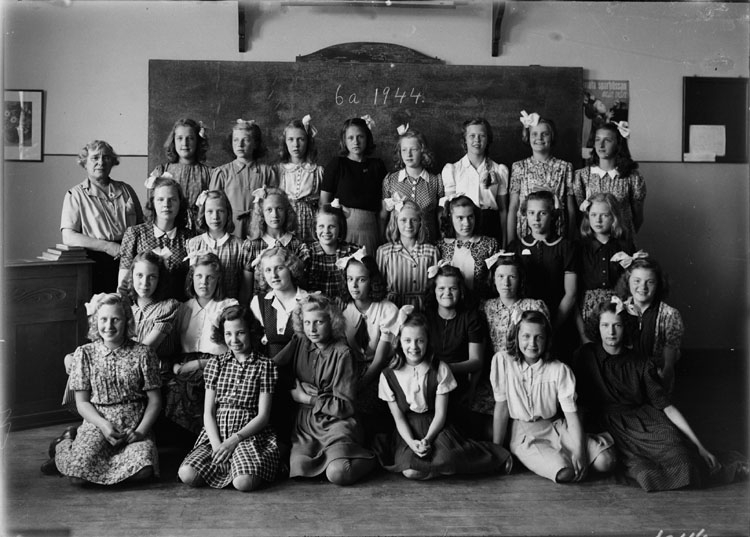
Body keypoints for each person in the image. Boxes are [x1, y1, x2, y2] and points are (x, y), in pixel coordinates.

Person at [572, 300, 747, 492]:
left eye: (617, 325)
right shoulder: (586, 356)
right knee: (646, 474)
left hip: (644, 422)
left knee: (684, 460)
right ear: (597, 328)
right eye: (605, 325)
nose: (611, 332)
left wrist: (700, 446)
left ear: (626, 327)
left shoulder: (641, 363)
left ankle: (729, 467)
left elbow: (667, 407)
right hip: (609, 427)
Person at [374, 310, 512, 480]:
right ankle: (440, 468)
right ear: (399, 342)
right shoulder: (388, 375)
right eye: (407, 340)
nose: (414, 347)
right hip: (407, 430)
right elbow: (399, 418)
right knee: (410, 470)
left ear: (427, 341)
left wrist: (427, 439)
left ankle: (494, 455)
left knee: (447, 458)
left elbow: (440, 414)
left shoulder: (440, 369)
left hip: (436, 426)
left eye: (420, 340)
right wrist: (412, 442)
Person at [490, 310, 615, 483]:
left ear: (547, 339)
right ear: (516, 336)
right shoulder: (503, 362)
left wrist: (579, 452)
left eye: (538, 337)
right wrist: (497, 452)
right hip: (525, 433)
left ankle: (573, 454)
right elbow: (502, 410)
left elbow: (571, 416)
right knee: (566, 472)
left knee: (606, 462)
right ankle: (552, 459)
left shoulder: (559, 369)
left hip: (555, 426)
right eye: (526, 336)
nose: (532, 343)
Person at [49, 293, 161, 485]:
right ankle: (65, 445)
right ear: (96, 321)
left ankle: (89, 456)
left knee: (143, 471)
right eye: (103, 319)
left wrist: (140, 432)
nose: (109, 326)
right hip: (97, 422)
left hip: (133, 426)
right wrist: (103, 425)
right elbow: (82, 402)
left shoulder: (144, 353)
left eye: (115, 319)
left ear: (126, 321)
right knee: (78, 476)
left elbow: (155, 400)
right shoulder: (85, 353)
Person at [274, 294, 376, 486]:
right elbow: (271, 368)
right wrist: (293, 385)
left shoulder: (343, 353)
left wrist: (307, 399)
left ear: (332, 322)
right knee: (300, 469)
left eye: (319, 322)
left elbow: (346, 406)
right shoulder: (300, 340)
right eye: (307, 322)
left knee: (338, 474)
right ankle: (331, 460)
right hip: (306, 425)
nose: (312, 329)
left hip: (336, 422)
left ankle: (373, 457)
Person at [178, 305, 280, 492]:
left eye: (240, 333)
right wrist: (218, 446)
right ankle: (230, 467)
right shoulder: (216, 364)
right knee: (187, 474)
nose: (234, 340)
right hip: (216, 434)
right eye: (228, 334)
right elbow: (208, 413)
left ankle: (247, 468)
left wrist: (233, 441)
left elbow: (263, 416)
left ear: (251, 331)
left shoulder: (265, 366)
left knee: (243, 483)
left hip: (248, 436)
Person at [469, 253, 549, 432]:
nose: (506, 283)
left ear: (520, 279)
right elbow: (480, 346)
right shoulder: (486, 307)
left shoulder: (534, 306)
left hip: (526, 374)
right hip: (496, 374)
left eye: (512, 277)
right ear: (493, 279)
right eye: (500, 276)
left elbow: (543, 345)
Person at [167, 253, 238, 436]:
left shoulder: (227, 306)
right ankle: (187, 443)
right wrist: (176, 365)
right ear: (192, 278)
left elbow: (236, 349)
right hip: (186, 364)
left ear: (218, 280)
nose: (203, 282)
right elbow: (174, 346)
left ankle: (211, 439)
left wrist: (199, 364)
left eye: (210, 277)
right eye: (199, 276)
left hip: (219, 364)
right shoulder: (184, 308)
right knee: (175, 389)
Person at [60, 140, 143, 293]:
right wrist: (107, 246)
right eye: (95, 158)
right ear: (85, 163)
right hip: (96, 262)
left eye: (106, 157)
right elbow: (68, 236)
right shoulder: (75, 194)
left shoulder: (126, 189)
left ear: (112, 162)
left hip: (129, 258)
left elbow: (141, 225)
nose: (101, 162)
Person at [509, 190, 578, 358]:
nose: (536, 218)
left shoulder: (566, 247)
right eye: (531, 213)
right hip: (525, 322)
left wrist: (551, 325)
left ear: (552, 215)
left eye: (543, 213)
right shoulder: (516, 247)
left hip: (558, 319)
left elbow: (571, 293)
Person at [340, 253, 398, 427]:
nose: (354, 285)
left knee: (370, 406)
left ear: (372, 281)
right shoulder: (343, 310)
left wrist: (358, 386)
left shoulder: (387, 310)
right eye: (350, 279)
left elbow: (380, 359)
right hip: (352, 368)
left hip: (380, 370)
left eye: (361, 280)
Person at [423, 264, 484, 422]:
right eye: (441, 288)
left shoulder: (471, 317)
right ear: (434, 291)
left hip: (458, 381)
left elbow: (476, 361)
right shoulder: (425, 316)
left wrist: (446, 369)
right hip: (428, 380)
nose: (447, 293)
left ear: (461, 290)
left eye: (453, 288)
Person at [320, 116, 387, 256]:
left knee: (367, 266)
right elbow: (324, 202)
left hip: (370, 230)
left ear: (367, 138)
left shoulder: (377, 166)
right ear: (344, 140)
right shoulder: (337, 164)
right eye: (350, 138)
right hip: (342, 231)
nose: (355, 142)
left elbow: (383, 207)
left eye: (360, 137)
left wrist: (381, 236)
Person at [615, 255, 683, 392]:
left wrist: (662, 382)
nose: (643, 287)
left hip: (654, 381)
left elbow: (668, 363)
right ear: (627, 281)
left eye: (650, 282)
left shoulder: (670, 314)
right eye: (637, 281)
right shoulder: (617, 310)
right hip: (622, 379)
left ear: (658, 284)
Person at [118, 176, 193, 301]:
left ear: (180, 203)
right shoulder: (135, 234)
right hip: (141, 306)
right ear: (152, 203)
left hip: (179, 306)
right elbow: (123, 284)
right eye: (160, 199)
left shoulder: (190, 238)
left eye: (172, 199)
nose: (166, 205)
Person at [507, 112, 576, 244]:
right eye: (534, 134)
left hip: (557, 234)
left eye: (545, 134)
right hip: (525, 235)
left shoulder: (565, 167)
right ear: (528, 137)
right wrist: (511, 242)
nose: (539, 138)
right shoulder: (519, 167)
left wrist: (571, 241)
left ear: (552, 137)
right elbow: (513, 207)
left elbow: (570, 209)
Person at [572, 122, 646, 241]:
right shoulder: (582, 176)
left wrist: (624, 238)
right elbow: (580, 215)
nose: (601, 145)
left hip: (622, 241)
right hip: (592, 243)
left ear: (618, 144)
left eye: (607, 140)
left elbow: (638, 218)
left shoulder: (633, 177)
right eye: (597, 140)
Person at [576, 193, 634, 342]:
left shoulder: (625, 246)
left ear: (614, 218)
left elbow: (631, 282)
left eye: (605, 215)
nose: (598, 220)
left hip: (618, 307)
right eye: (594, 215)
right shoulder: (580, 248)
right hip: (589, 308)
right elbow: (575, 291)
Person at [441, 117, 508, 246]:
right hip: (463, 226)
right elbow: (449, 209)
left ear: (488, 139)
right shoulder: (453, 169)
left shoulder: (499, 170)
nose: (477, 140)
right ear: (465, 140)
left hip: (490, 226)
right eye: (472, 136)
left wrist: (505, 241)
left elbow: (503, 210)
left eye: (482, 136)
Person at [240, 187, 309, 304]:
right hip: (261, 307)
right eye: (269, 210)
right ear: (261, 213)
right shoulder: (251, 246)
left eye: (279, 209)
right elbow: (246, 288)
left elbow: (302, 282)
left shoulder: (297, 245)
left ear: (286, 211)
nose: (275, 214)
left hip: (292, 305)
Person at [210, 119, 278, 239]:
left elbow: (275, 202)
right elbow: (213, 205)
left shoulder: (267, 172)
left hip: (259, 227)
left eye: (245, 140)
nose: (240, 145)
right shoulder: (222, 173)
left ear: (255, 143)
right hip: (231, 227)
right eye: (235, 140)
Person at [380, 126, 443, 243]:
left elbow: (440, 217)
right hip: (398, 245)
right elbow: (383, 216)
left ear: (423, 151)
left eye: (413, 149)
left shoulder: (435, 181)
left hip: (428, 244)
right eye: (404, 150)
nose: (408, 154)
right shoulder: (391, 180)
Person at [149, 118, 211, 233]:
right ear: (173, 141)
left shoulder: (209, 173)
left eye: (190, 138)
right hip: (170, 228)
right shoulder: (163, 171)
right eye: (180, 138)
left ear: (198, 141)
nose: (185, 143)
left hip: (200, 230)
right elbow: (152, 207)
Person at [377, 199, 440, 310]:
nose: (409, 225)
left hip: (423, 308)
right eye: (403, 220)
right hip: (393, 308)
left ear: (420, 222)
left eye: (414, 220)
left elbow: (435, 286)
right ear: (395, 222)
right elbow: (379, 287)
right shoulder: (384, 252)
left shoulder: (431, 251)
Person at [437, 194, 499, 300]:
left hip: (481, 303)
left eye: (470, 217)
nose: (466, 223)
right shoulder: (441, 246)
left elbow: (495, 281)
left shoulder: (490, 244)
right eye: (460, 218)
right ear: (450, 218)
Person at [186, 190, 244, 299]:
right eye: (210, 211)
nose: (215, 217)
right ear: (203, 214)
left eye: (220, 211)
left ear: (228, 213)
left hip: (229, 305)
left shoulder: (240, 246)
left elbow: (244, 285)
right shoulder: (193, 244)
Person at [276, 115, 324, 243]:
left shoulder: (317, 171)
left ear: (308, 142)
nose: (295, 145)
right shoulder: (279, 170)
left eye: (301, 139)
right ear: (285, 142)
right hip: (286, 223)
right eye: (291, 139)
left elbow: (323, 204)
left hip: (311, 225)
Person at [306, 204, 360, 299]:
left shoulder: (352, 252)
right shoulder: (307, 253)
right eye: (321, 226)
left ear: (340, 228)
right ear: (315, 229)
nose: (326, 231)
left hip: (346, 305)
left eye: (331, 226)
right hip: (317, 305)